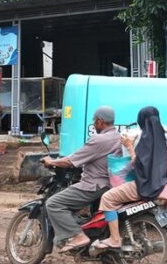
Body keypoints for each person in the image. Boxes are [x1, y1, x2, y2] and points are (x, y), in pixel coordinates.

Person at [93, 106, 167, 250]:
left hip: (149, 186)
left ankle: (115, 239)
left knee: (107, 198)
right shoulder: (162, 139)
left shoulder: (146, 139)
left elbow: (138, 165)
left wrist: (129, 146)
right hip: (166, 186)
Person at [43, 106, 121, 252]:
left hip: (94, 186)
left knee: (53, 203)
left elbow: (71, 161)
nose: (94, 124)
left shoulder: (98, 140)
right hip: (110, 184)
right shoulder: (118, 137)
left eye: (94, 121)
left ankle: (78, 236)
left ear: (100, 121)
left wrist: (51, 162)